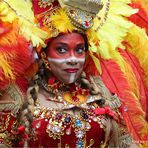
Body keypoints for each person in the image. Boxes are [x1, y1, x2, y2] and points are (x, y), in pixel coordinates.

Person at [0, 0, 148, 147]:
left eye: (79, 50)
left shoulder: (102, 91)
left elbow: (125, 143)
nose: (73, 59)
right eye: (62, 50)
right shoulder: (17, 96)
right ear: (44, 54)